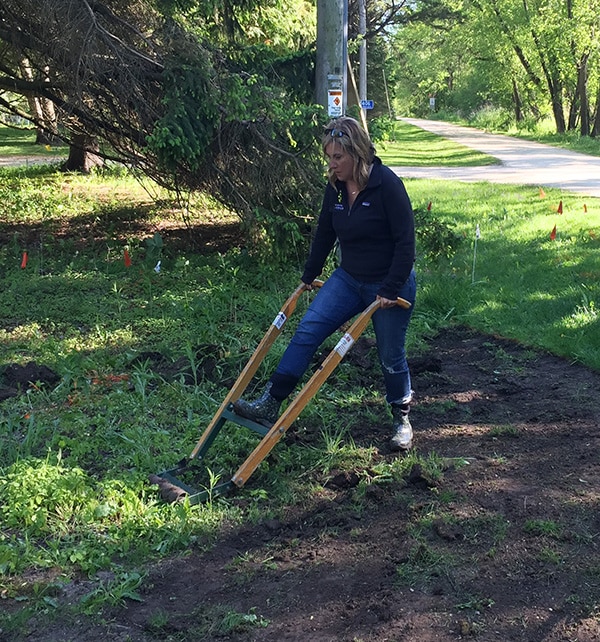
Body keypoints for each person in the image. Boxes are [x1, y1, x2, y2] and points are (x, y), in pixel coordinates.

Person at [234, 116, 417, 451]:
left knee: (390, 355)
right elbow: (324, 234)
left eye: (338, 158)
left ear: (358, 154)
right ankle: (270, 402)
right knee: (307, 331)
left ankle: (401, 420)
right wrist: (308, 276)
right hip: (348, 279)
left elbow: (406, 243)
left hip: (391, 284)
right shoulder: (334, 188)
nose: (332, 165)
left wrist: (390, 288)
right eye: (329, 157)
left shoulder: (386, 184)